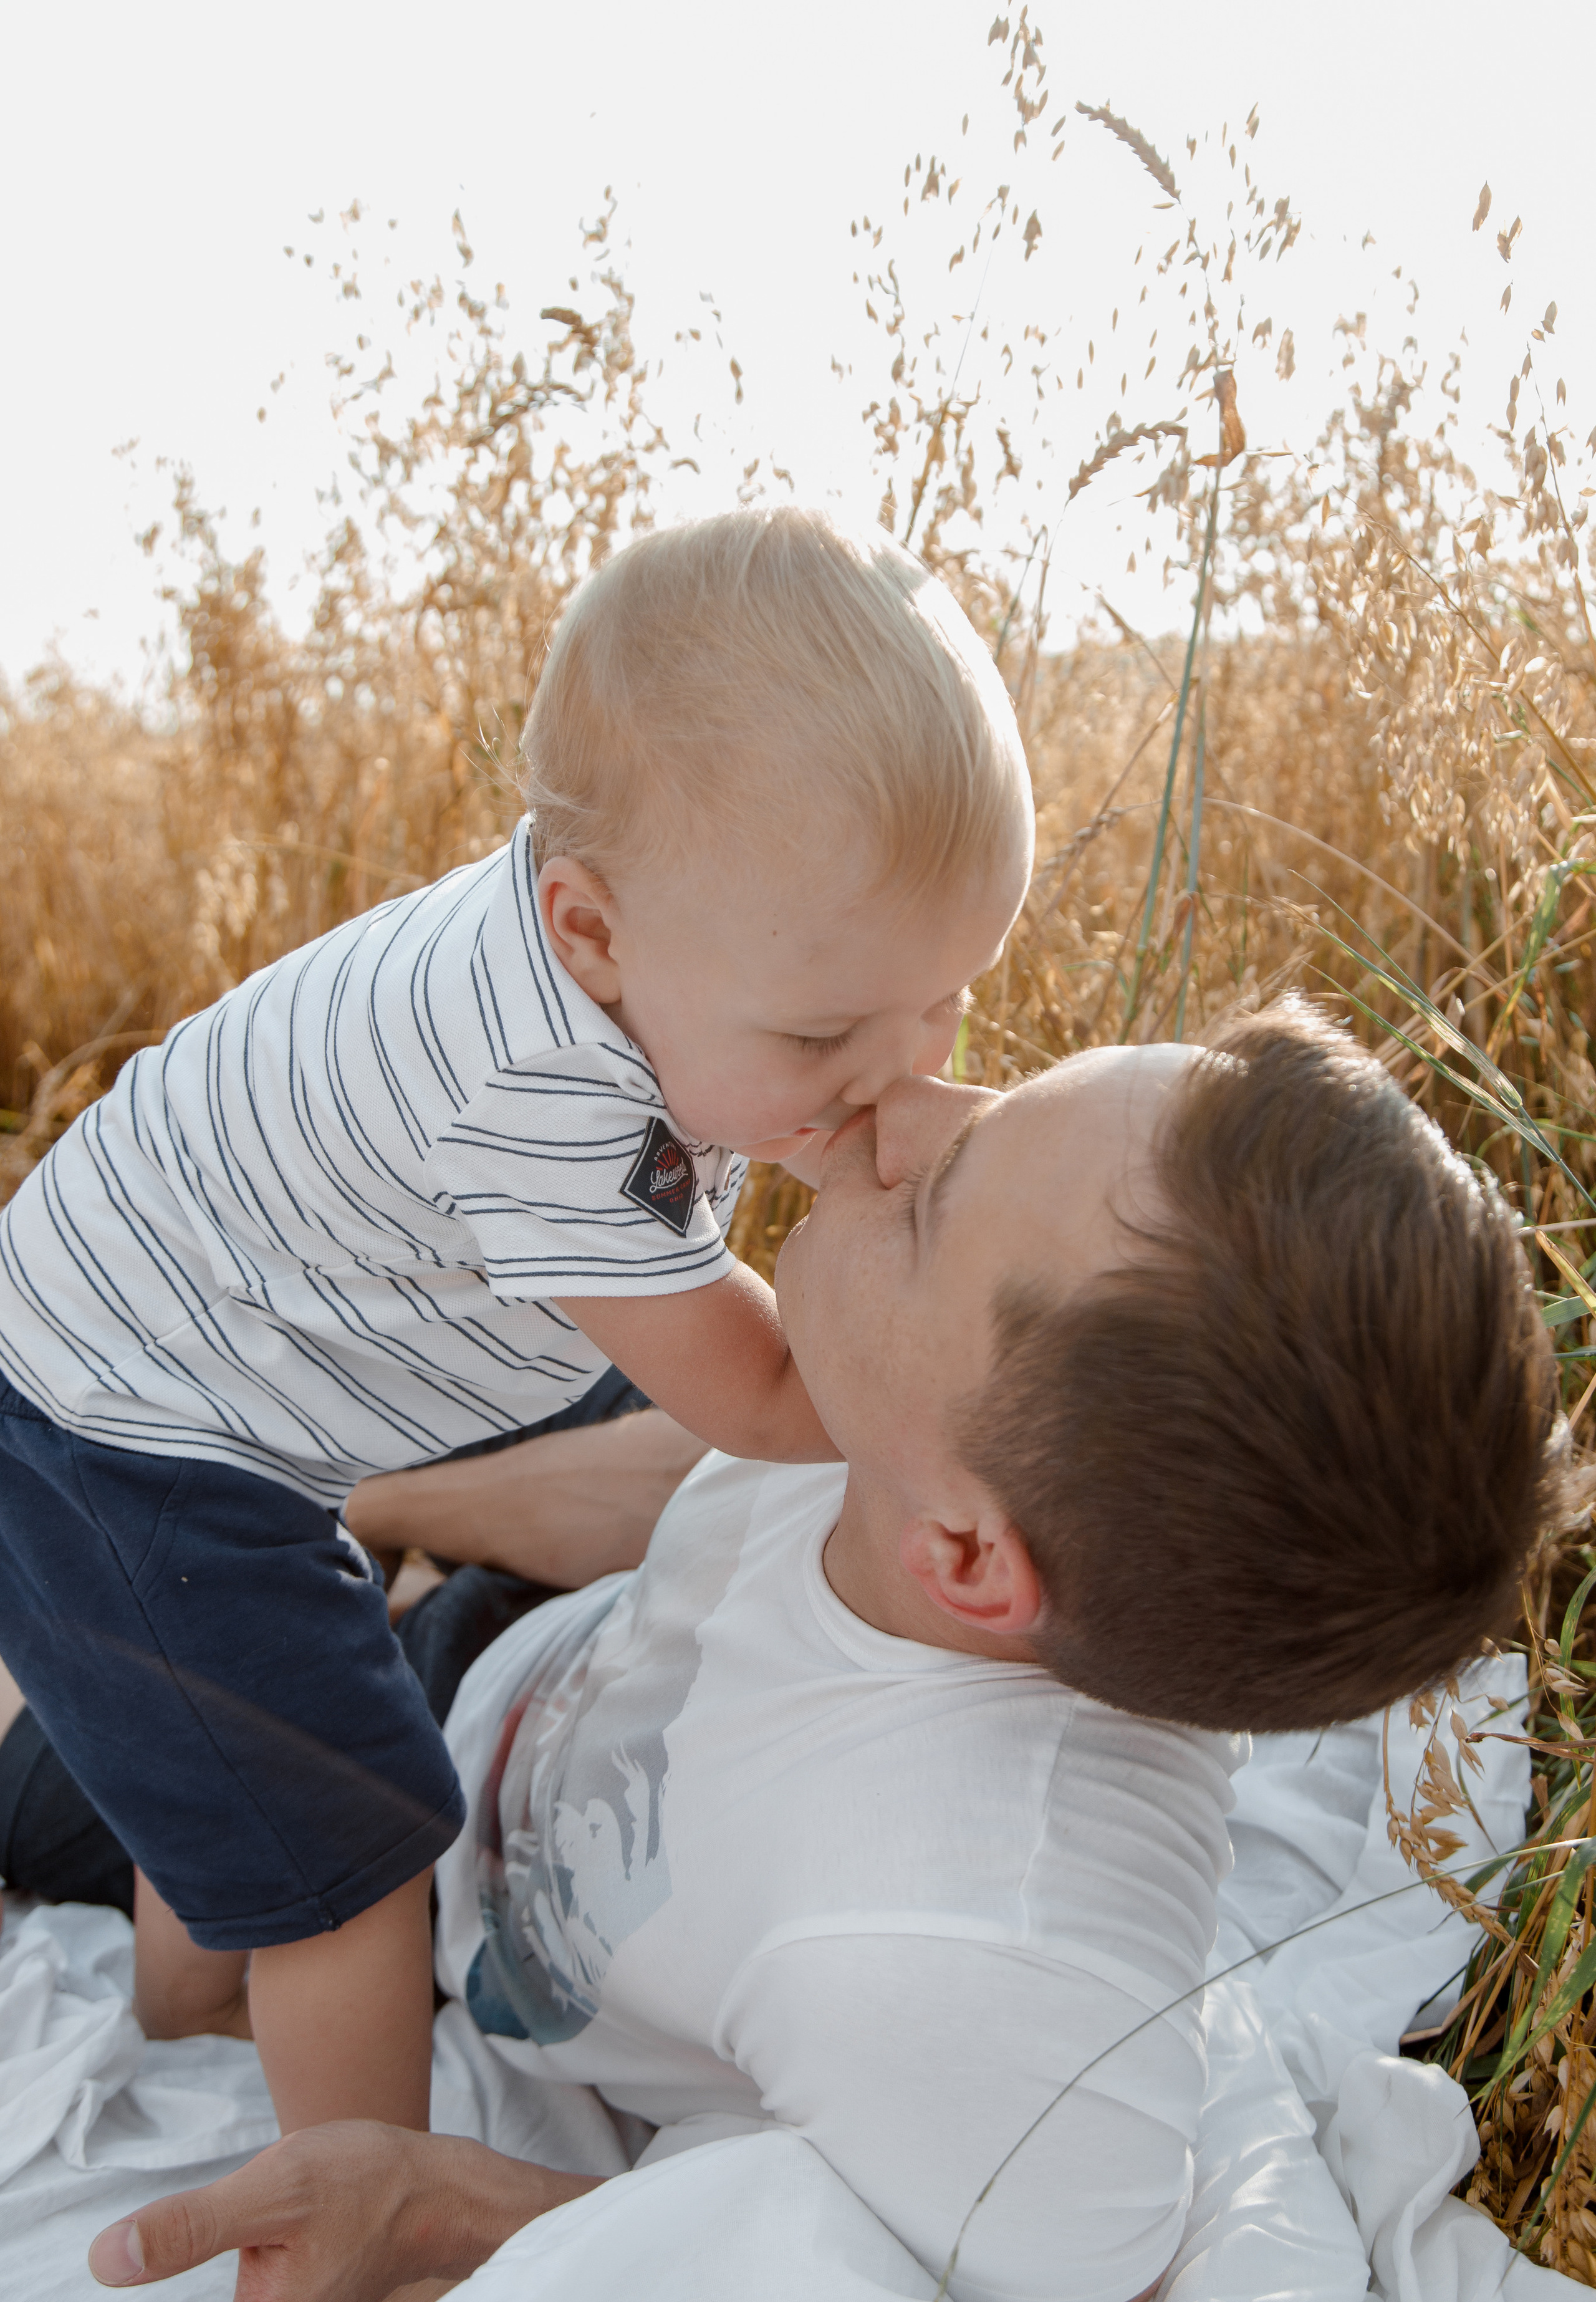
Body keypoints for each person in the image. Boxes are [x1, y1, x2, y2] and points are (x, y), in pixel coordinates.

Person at [17, 1004, 1566, 2302]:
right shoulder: (907, 1435)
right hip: (516, 1659)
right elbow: (678, 1481)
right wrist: (349, 1517)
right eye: (997, 1094)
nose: (901, 1108)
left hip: (433, 1870)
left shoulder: (975, 1963)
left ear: (961, 1554)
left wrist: (433, 2207)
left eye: (934, 1198)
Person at [0, 509, 1032, 2143]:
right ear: (590, 931)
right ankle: (361, 2229)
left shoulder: (658, 949)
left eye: (952, 998)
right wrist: (987, 1350)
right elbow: (764, 1392)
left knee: (244, 1739)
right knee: (354, 1850)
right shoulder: (541, 1091)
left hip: (165, 1348)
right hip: (128, 1424)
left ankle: (188, 1995)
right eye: (832, 1030)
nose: (899, 1071)